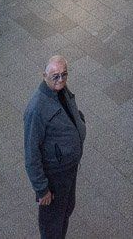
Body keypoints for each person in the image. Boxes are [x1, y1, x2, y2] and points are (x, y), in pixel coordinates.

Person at [24, 55, 86, 239]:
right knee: (52, 223)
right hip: (54, 176)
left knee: (66, 209)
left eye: (64, 74)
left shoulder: (61, 90)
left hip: (68, 169)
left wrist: (80, 122)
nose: (61, 80)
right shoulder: (36, 109)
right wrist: (42, 188)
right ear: (44, 76)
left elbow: (71, 111)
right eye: (55, 76)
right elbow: (31, 153)